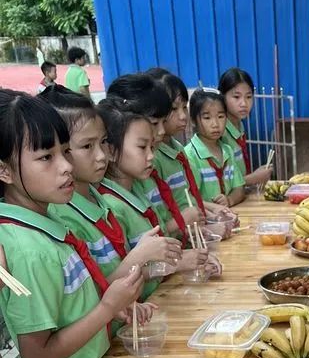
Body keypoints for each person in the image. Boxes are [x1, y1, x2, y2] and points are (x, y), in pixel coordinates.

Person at [0, 91, 142, 358]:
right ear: (4, 170)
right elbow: (36, 356)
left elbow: (70, 310)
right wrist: (107, 308)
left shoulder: (45, 229)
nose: (65, 166)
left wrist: (116, 308)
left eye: (64, 151)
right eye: (45, 157)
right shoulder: (28, 250)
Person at [42, 89, 180, 286]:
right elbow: (96, 295)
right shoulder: (63, 217)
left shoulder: (99, 199)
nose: (101, 155)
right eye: (87, 146)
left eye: (104, 142)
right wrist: (139, 256)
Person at [97, 97, 215, 293]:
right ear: (110, 151)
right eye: (142, 147)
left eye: (152, 147)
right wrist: (178, 263)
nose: (151, 156)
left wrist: (189, 259)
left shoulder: (136, 191)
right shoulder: (110, 206)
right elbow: (117, 278)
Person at [106, 74, 199, 241]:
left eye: (163, 122)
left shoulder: (137, 180)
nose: (161, 131)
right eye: (154, 123)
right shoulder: (115, 198)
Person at [147, 69, 234, 239]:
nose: (182, 116)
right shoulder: (152, 159)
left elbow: (188, 201)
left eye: (184, 107)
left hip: (193, 236)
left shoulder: (177, 148)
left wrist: (210, 215)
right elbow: (164, 220)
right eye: (173, 109)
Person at [184, 89, 246, 207]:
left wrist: (229, 200)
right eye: (207, 118)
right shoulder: (189, 155)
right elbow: (190, 199)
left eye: (220, 116)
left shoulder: (227, 150)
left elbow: (239, 188)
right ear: (193, 121)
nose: (215, 124)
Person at [218, 67, 272, 190]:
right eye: (236, 97)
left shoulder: (239, 125)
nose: (244, 103)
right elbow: (222, 181)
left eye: (248, 97)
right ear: (222, 97)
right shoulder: (219, 131)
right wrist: (253, 178)